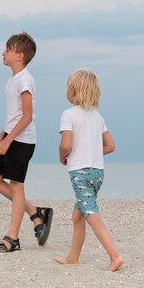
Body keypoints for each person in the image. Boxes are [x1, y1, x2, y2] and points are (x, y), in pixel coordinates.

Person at [0, 32, 53, 252]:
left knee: (16, 185)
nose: (3, 53)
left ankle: (12, 239)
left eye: (8, 49)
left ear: (19, 55)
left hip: (22, 141)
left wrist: (8, 140)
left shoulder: (24, 80)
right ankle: (35, 213)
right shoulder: (13, 78)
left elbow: (27, 115)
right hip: (12, 137)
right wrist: (2, 133)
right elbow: (15, 115)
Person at [53, 69, 124, 271]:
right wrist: (91, 152)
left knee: (91, 213)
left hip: (80, 173)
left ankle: (115, 255)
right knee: (78, 215)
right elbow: (110, 146)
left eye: (68, 87)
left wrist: (62, 156)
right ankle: (73, 257)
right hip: (97, 173)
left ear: (73, 91)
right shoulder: (97, 116)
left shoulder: (68, 115)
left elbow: (66, 145)